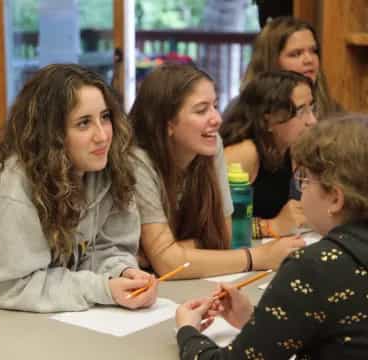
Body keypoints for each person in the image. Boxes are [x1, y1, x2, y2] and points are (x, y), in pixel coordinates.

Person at [0, 64, 157, 312]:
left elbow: (107, 248)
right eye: (83, 123)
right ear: (52, 134)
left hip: (49, 313)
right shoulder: (13, 188)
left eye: (105, 117)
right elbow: (7, 287)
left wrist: (123, 272)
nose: (102, 136)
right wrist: (102, 288)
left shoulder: (107, 171)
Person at [176, 113, 368, 359]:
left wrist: (188, 330)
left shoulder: (315, 267)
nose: (301, 190)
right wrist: (260, 321)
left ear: (335, 198)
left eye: (305, 180)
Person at [129, 63, 304, 279]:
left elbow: (224, 236)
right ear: (168, 123)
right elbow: (167, 263)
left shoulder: (211, 146)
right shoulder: (138, 160)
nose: (217, 119)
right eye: (202, 110)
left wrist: (175, 250)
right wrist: (257, 258)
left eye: (215, 106)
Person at [220, 71, 316, 237]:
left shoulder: (290, 148)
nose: (312, 121)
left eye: (312, 108)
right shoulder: (243, 153)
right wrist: (272, 226)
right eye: (300, 111)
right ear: (267, 119)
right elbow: (215, 229)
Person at [225, 16, 339, 120]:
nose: (309, 60)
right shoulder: (241, 111)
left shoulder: (333, 110)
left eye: (313, 51)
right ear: (271, 61)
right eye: (296, 54)